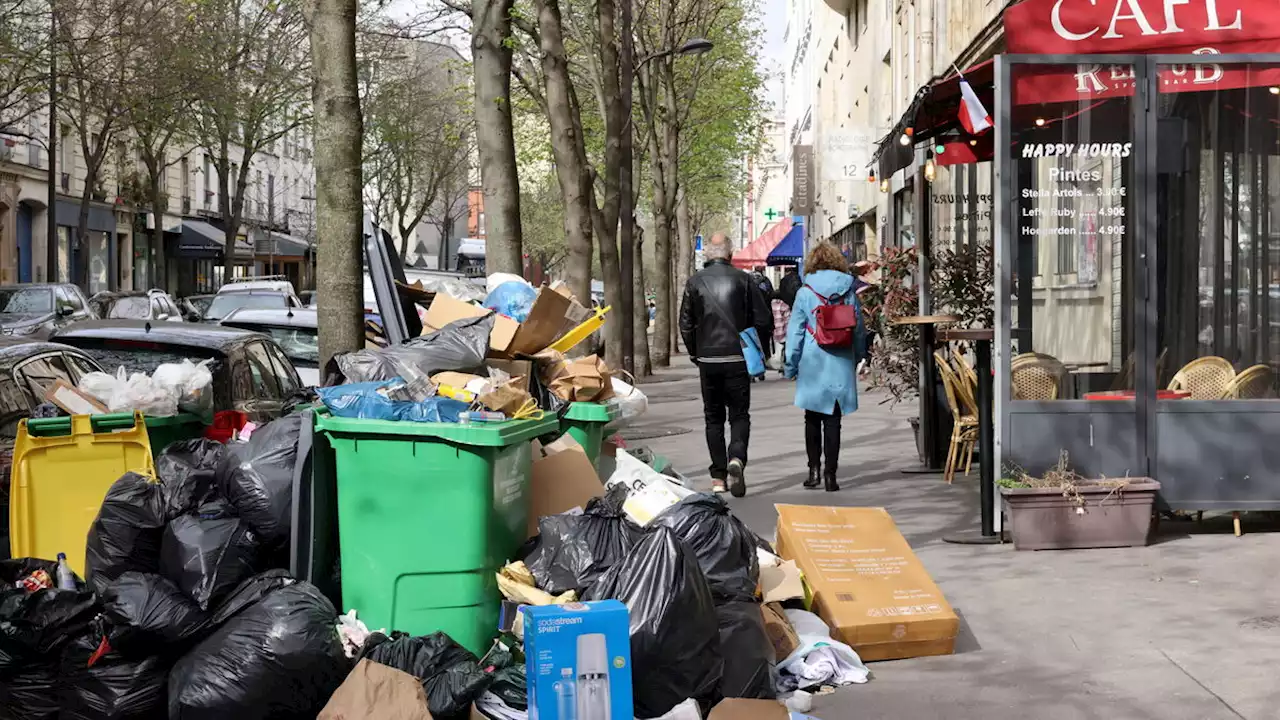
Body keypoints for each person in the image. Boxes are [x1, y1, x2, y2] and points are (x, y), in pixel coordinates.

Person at [679, 233, 772, 497]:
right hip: (738, 358)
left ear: (707, 254)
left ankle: (718, 477)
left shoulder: (694, 282)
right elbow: (763, 319)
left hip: (708, 359)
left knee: (713, 417)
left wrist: (695, 353)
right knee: (740, 414)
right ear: (730, 254)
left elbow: (685, 324)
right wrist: (759, 352)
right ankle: (737, 458)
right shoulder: (744, 280)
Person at [785, 243, 865, 492]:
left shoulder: (805, 292)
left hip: (813, 360)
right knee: (834, 420)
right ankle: (831, 475)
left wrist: (790, 364)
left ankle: (813, 472)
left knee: (812, 417)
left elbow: (795, 331)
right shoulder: (849, 289)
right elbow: (859, 327)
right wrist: (860, 355)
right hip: (841, 358)